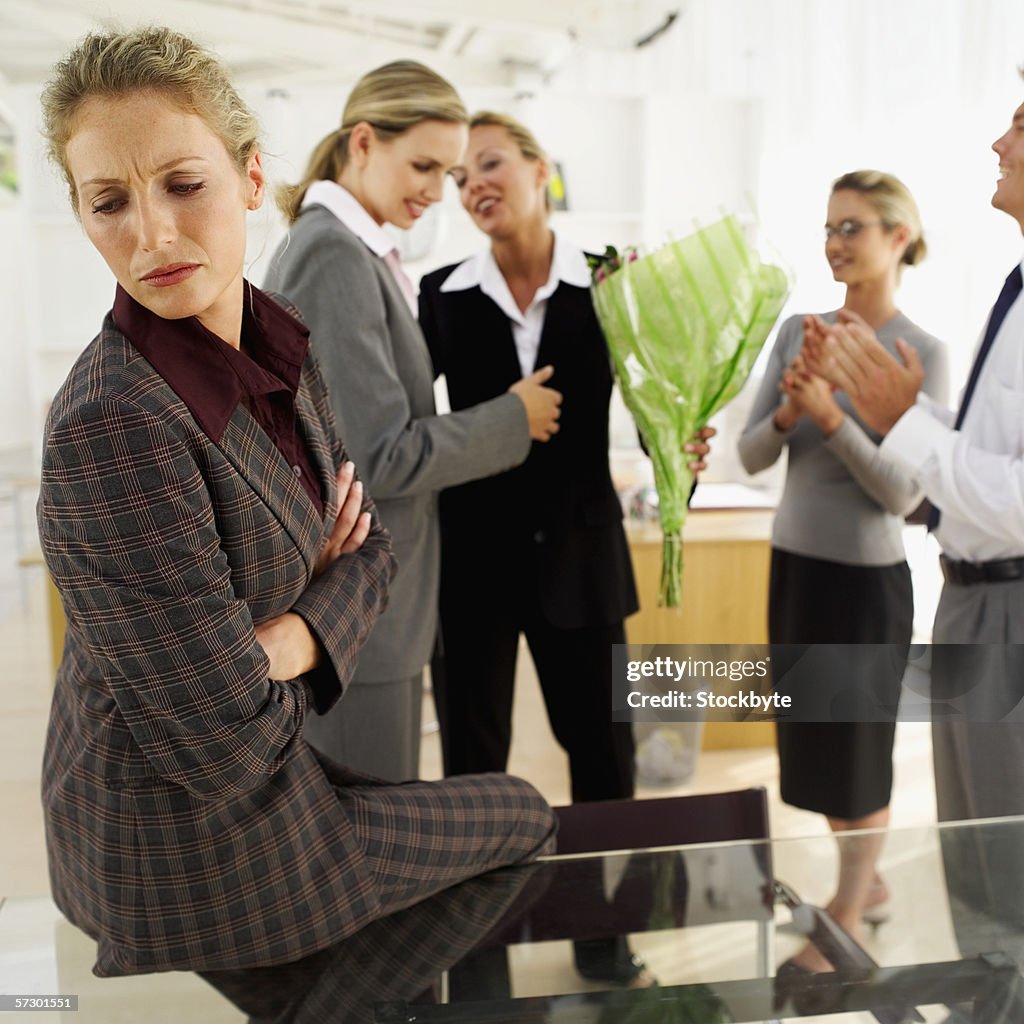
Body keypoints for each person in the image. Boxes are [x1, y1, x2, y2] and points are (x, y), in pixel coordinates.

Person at [36, 27, 555, 1004]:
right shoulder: (114, 420)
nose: (150, 235)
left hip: (264, 774)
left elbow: (374, 541)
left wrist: (277, 639)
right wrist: (283, 632)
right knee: (520, 820)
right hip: (179, 833)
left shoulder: (281, 343)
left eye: (182, 184)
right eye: (109, 202)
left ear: (248, 175)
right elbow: (219, 734)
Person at [418, 111, 713, 987]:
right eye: (462, 175)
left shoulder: (612, 283)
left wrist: (679, 454)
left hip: (583, 561)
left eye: (493, 164)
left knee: (604, 760)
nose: (476, 184)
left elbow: (665, 407)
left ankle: (602, 936)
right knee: (474, 771)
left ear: (543, 170)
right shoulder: (438, 294)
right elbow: (409, 429)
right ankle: (477, 960)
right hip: (469, 568)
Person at [262, 64, 561, 783]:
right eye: (424, 166)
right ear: (363, 142)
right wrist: (512, 420)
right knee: (365, 833)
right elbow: (377, 453)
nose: (437, 190)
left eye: (447, 170)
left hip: (374, 606)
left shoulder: (350, 247)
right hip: (361, 611)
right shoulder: (334, 252)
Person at [804, 86, 1024, 952]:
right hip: (967, 592)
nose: (999, 140)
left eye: (1023, 121)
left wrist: (886, 417)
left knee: (1006, 863)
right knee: (973, 859)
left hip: (999, 599)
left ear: (899, 235)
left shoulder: (920, 349)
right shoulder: (1013, 286)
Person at [738, 170, 948, 973]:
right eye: (829, 228)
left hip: (866, 586)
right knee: (813, 748)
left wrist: (834, 417)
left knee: (859, 752)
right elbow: (752, 452)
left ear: (900, 235)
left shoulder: (922, 352)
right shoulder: (798, 331)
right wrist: (794, 409)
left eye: (853, 227)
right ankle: (872, 883)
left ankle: (851, 909)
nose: (835, 243)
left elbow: (904, 494)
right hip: (794, 568)